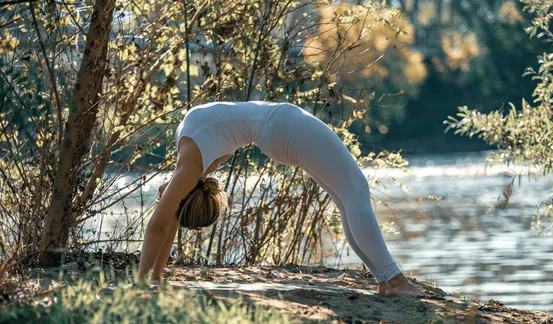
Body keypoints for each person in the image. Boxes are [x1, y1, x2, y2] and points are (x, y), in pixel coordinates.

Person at [137, 101, 426, 296]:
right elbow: (159, 225)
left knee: (345, 196)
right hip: (282, 126)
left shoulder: (190, 163)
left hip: (279, 130)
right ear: (184, 194)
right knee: (356, 190)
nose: (165, 198)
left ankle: (385, 282)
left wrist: (155, 280)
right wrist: (142, 285)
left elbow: (168, 217)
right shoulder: (190, 162)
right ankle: (395, 280)